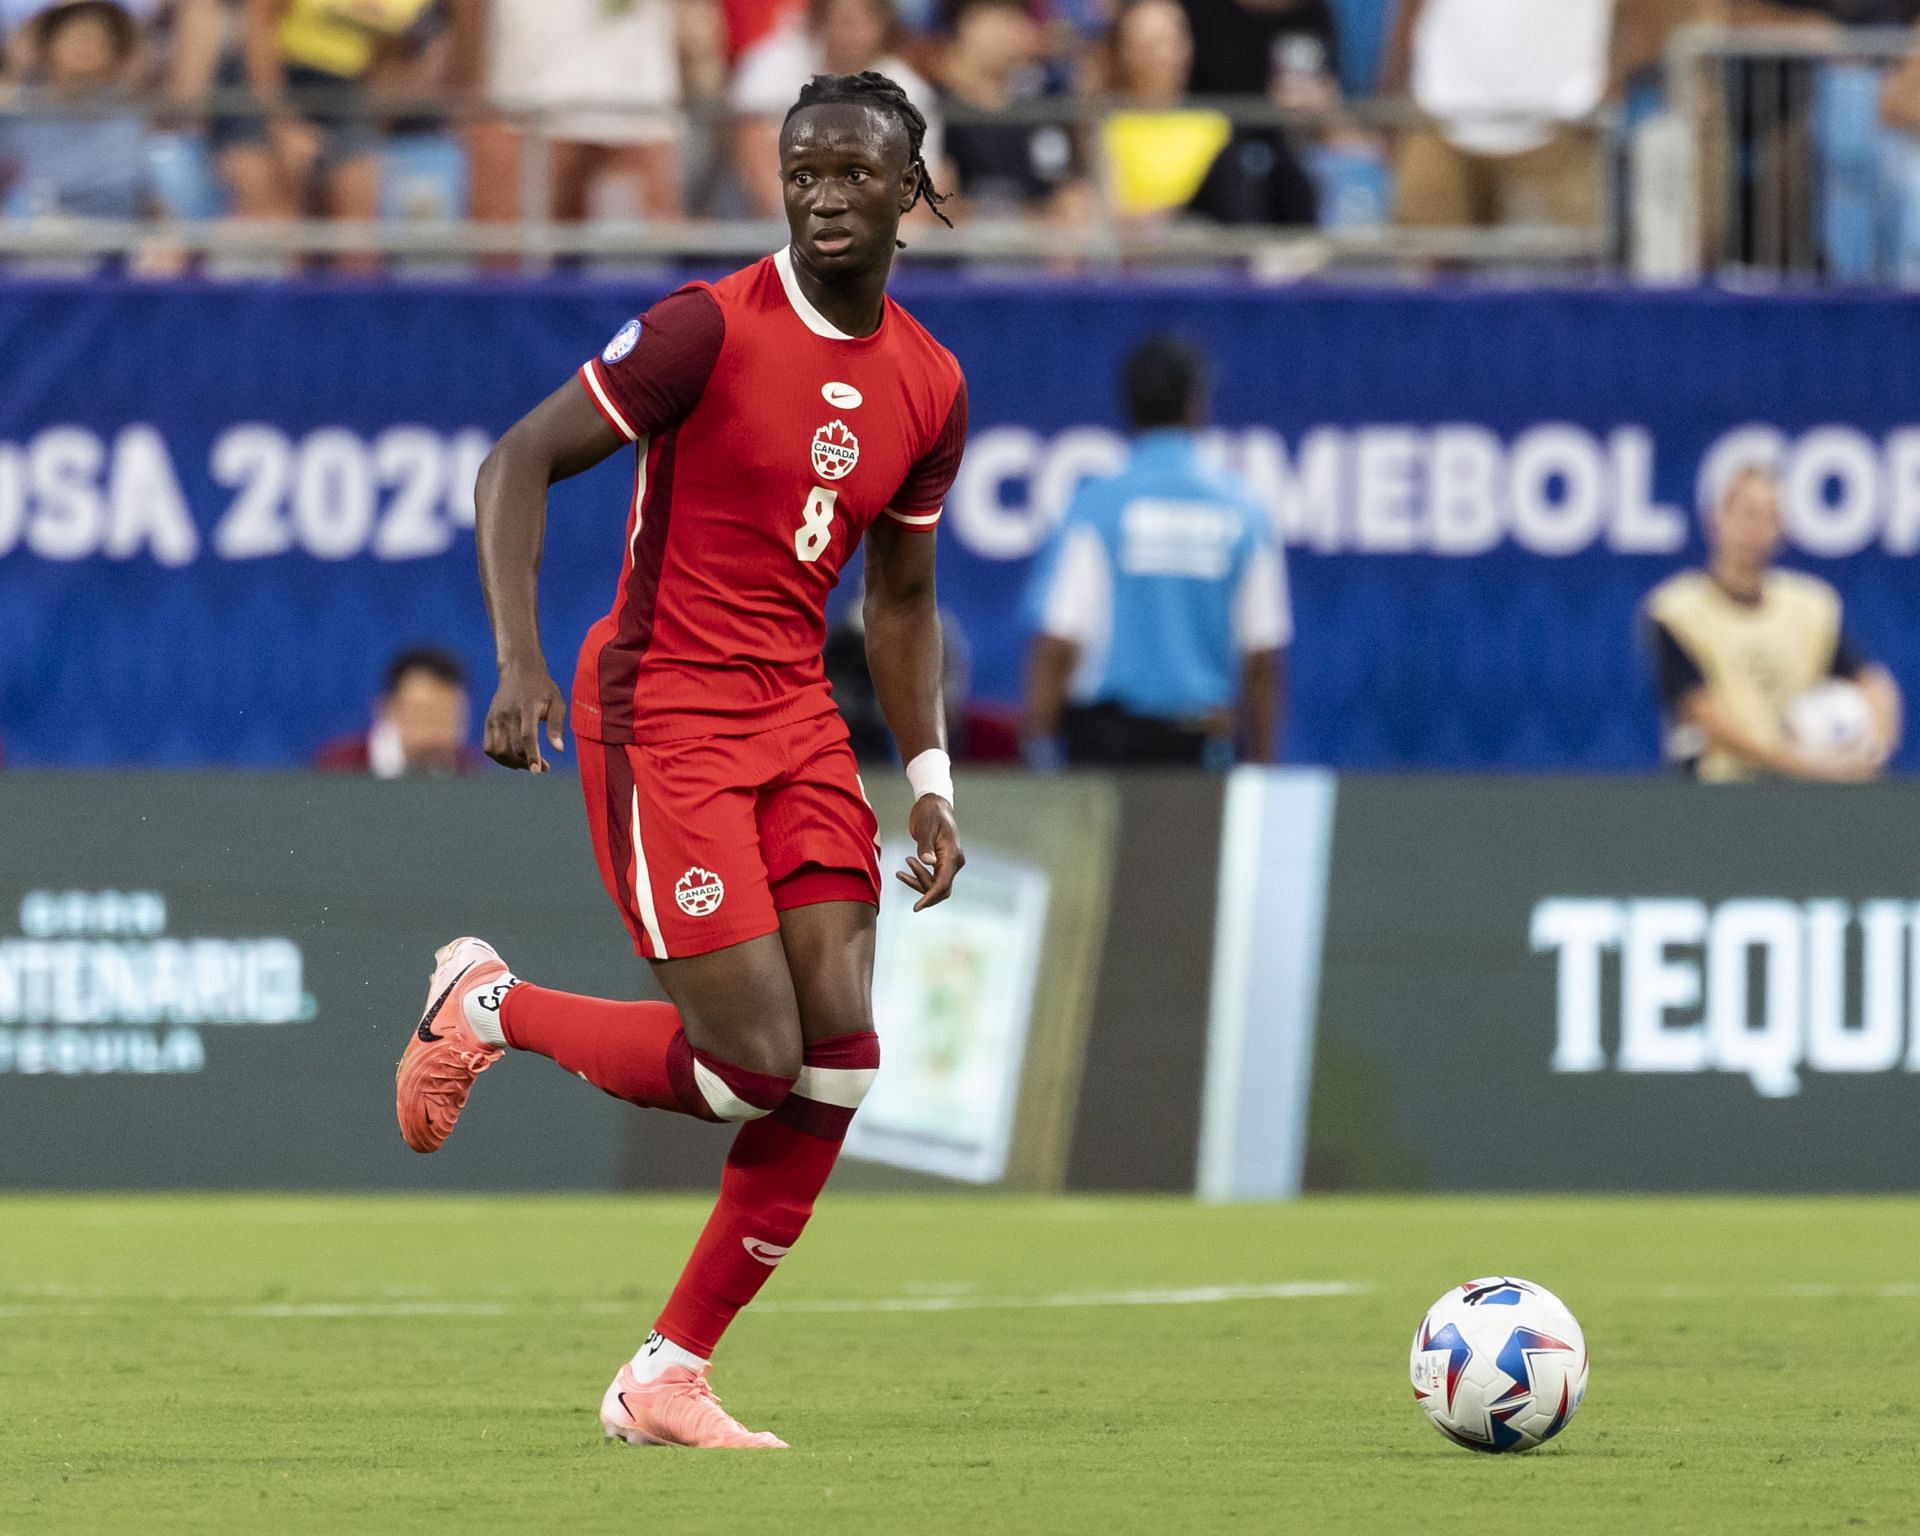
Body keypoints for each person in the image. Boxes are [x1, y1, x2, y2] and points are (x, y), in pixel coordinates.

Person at [394, 70, 968, 1450]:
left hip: (796, 720)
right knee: (750, 1066)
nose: (825, 190)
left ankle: (667, 1375)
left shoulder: (932, 383)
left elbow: (897, 603)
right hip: (665, 713)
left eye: (855, 171)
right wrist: (520, 659)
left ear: (911, 191)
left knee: (840, 1058)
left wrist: (932, 780)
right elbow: (516, 461)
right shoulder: (703, 329)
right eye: (803, 168)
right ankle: (488, 1006)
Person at [1025, 334, 1289, 768]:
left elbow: (1057, 641)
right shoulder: (1244, 512)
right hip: (1202, 754)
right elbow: (1261, 658)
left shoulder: (1096, 506)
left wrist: (1039, 749)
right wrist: (1262, 767)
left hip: (1105, 753)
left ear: (1129, 407)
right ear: (1196, 403)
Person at [1643, 465, 1903, 781]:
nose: (1754, 529)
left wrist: (1871, 752)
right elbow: (1700, 714)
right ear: (1715, 520)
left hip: (1802, 793)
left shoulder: (1809, 606)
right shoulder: (1676, 611)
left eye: (1768, 517)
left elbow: (1873, 683)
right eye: (1746, 514)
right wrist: (1799, 765)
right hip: (1717, 793)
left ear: (1783, 531)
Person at [447, 0, 690, 238]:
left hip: (637, 102)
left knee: (644, 263)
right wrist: (473, 93)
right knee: (509, 258)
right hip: (519, 102)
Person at [1383, 0, 1612, 231]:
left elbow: (1644, 12)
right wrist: (1394, 98)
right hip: (1441, 110)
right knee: (1424, 250)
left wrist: (1611, 90)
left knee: (1570, 257)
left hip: (1563, 122)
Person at [729, 0, 938, 218]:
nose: (853, 33)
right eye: (845, 20)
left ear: (882, 26)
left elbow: (920, 188)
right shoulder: (773, 65)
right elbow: (756, 162)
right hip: (777, 227)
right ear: (821, 20)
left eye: (864, 21)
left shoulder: (910, 90)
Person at [0, 1, 155, 221]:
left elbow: (148, 193)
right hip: (34, 238)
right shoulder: (19, 111)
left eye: (99, 41)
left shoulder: (127, 115)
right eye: (79, 38)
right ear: (49, 44)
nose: (87, 49)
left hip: (113, 240)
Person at [937, 0, 1088, 224]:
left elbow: (1068, 185)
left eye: (1011, 19)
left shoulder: (1045, 99)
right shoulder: (935, 104)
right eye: (991, 20)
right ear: (963, 26)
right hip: (966, 246)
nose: (1002, 33)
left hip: (1038, 244)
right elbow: (940, 201)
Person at [314, 646, 482, 777]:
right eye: (423, 715)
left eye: (446, 717)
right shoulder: (339, 768)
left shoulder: (471, 774)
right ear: (387, 709)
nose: (434, 734)